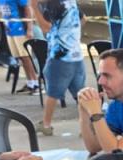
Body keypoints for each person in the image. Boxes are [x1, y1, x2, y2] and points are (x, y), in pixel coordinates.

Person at [32, 0, 86, 137]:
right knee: (80, 94)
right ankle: (87, 126)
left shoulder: (52, 5)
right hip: (76, 54)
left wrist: (34, 7)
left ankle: (46, 124)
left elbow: (46, 28)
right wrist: (71, 33)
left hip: (60, 56)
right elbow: (83, 19)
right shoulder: (70, 2)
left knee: (53, 92)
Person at [0, 0, 39, 94]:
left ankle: (36, 84)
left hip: (20, 29)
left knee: (26, 57)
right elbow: (3, 9)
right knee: (21, 58)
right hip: (10, 30)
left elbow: (28, 8)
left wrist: (29, 28)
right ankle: (30, 83)